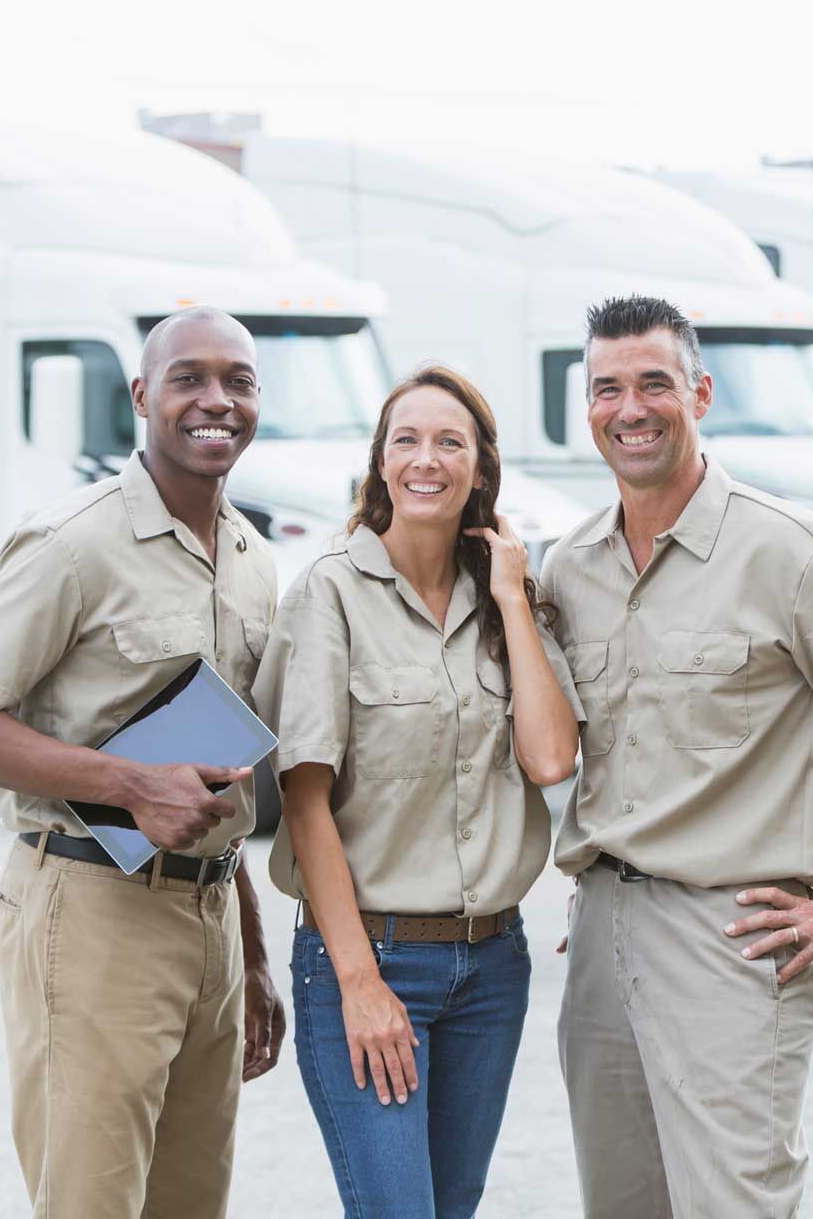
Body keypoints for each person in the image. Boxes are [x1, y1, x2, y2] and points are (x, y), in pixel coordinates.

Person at [543, 295, 813, 1217]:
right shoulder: (571, 567)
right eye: (607, 389)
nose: (631, 409)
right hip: (601, 930)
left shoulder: (790, 553)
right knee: (622, 1204)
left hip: (731, 937)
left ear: (702, 393)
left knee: (737, 1205)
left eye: (655, 384)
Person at [0, 306, 287, 1219]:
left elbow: (218, 775)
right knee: (91, 1202)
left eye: (237, 381)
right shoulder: (75, 540)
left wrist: (252, 955)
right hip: (90, 911)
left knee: (191, 1201)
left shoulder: (250, 559)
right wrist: (127, 784)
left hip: (210, 915)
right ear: (141, 395)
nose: (215, 401)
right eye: (189, 378)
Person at [252, 363, 581, 1219]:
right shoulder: (329, 593)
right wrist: (361, 984)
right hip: (371, 958)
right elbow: (304, 801)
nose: (426, 459)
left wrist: (511, 596)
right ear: (380, 463)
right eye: (406, 440)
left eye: (450, 442)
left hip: (493, 967)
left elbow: (551, 762)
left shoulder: (507, 598)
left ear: (481, 469)